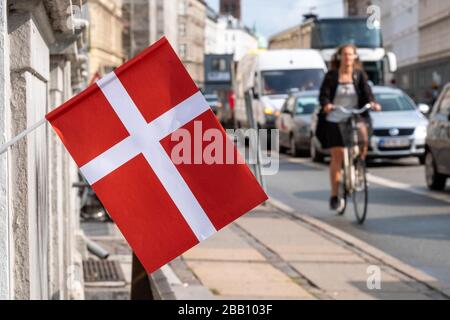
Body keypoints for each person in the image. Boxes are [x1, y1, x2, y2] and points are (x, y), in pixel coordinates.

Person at [318, 44, 381, 211]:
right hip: (335, 118)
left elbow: (367, 93)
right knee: (337, 156)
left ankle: (359, 165)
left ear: (355, 57)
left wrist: (372, 103)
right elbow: (323, 95)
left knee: (363, 138)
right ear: (340, 57)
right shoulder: (331, 76)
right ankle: (334, 195)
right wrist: (327, 105)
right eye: (344, 55)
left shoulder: (359, 75)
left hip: (355, 115)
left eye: (350, 55)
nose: (347, 58)